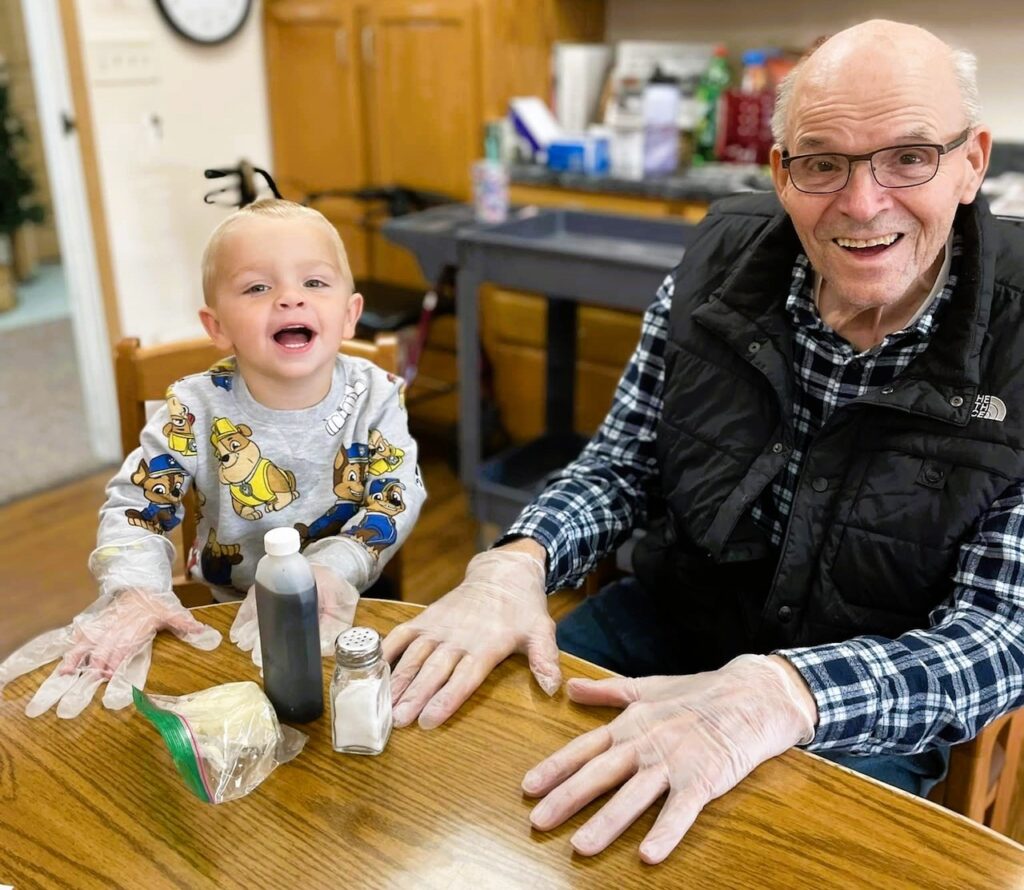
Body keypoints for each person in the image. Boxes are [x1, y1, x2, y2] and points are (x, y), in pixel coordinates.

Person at [382, 19, 1023, 863]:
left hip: (855, 702)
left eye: (909, 157)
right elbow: (625, 462)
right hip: (671, 625)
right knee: (455, 765)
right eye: (822, 162)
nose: (863, 204)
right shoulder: (715, 266)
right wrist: (521, 558)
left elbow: (998, 635)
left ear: (973, 161)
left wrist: (781, 691)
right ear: (780, 173)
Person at [0, 199, 424, 718]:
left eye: (314, 283)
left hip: (352, 604)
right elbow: (135, 506)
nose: (290, 298)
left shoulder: (376, 395)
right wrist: (135, 590)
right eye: (257, 287)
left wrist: (335, 566)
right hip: (226, 617)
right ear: (217, 325)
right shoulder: (195, 409)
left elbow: (394, 496)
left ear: (349, 315)